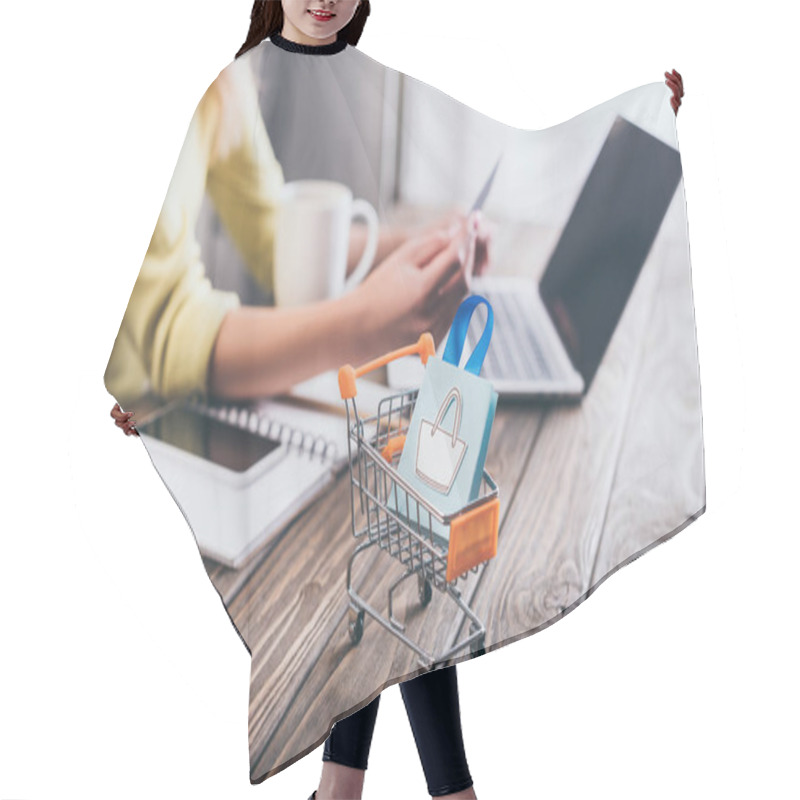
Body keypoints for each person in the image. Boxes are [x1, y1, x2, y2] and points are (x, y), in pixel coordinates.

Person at [110, 2, 685, 798]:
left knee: (397, 552)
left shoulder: (318, 78)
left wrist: (411, 246)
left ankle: (346, 787)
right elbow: (166, 317)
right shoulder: (229, 85)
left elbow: (277, 229)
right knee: (407, 552)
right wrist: (357, 322)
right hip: (251, 401)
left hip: (341, 400)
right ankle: (441, 791)